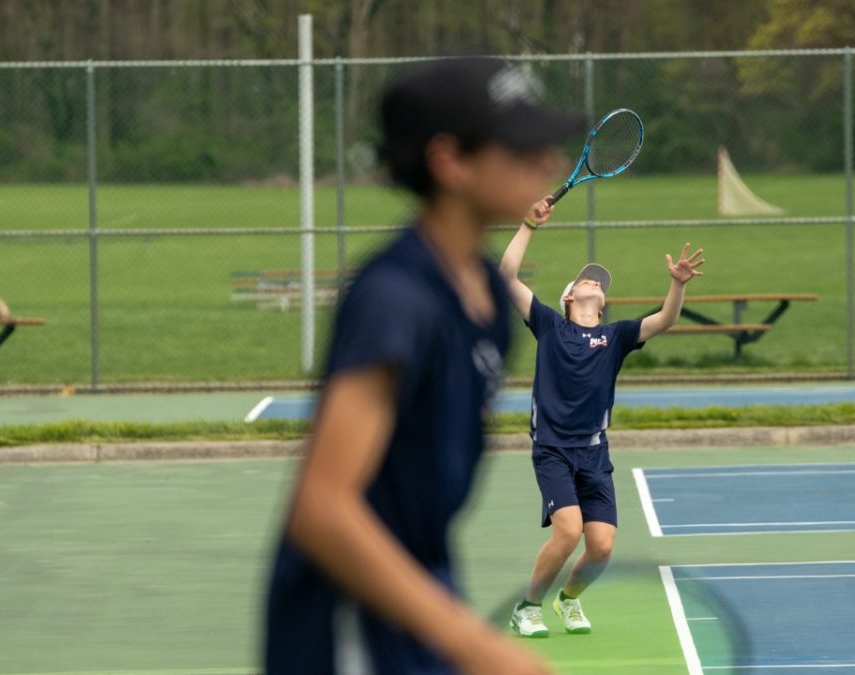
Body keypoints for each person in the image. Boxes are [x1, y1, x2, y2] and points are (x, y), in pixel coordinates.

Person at [264, 57, 584, 674]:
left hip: (419, 589)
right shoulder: (395, 300)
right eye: (520, 147)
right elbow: (322, 508)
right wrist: (476, 644)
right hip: (348, 620)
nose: (548, 161)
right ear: (450, 162)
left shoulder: (487, 297)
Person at [500, 199, 704, 637]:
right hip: (553, 448)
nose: (594, 281)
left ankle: (568, 600)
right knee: (569, 531)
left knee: (602, 547)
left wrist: (678, 284)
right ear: (570, 296)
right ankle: (527, 607)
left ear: (604, 301)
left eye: (600, 282)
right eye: (585, 278)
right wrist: (528, 225)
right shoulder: (550, 326)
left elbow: (665, 319)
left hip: (595, 453)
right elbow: (505, 278)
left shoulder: (615, 337)